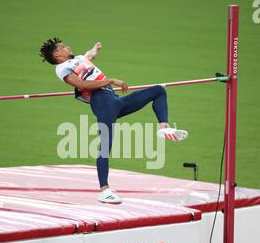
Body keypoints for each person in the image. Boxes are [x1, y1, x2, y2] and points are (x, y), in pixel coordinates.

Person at [39, 38, 187, 204]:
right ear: (58, 55)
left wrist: (95, 48)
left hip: (114, 100)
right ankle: (104, 190)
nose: (68, 47)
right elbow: (81, 84)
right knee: (105, 145)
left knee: (158, 91)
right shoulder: (62, 68)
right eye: (64, 47)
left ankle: (164, 127)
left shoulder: (79, 58)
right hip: (102, 103)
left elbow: (88, 56)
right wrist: (110, 80)